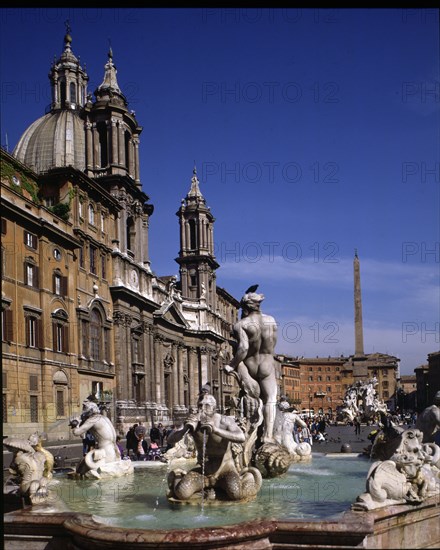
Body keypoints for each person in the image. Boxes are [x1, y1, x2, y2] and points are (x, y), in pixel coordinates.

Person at [167, 393, 262, 501]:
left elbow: (241, 437)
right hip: (203, 472)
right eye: (200, 406)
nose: (202, 409)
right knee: (182, 493)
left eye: (207, 406)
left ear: (214, 408)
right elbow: (170, 439)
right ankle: (178, 477)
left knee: (236, 494)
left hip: (224, 471)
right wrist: (185, 429)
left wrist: (216, 430)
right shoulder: (194, 422)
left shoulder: (224, 421)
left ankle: (246, 477)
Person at [223, 289, 278, 444]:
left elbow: (243, 349)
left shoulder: (241, 324)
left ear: (245, 307)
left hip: (250, 366)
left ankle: (248, 431)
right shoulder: (271, 321)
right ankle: (267, 435)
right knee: (271, 400)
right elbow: (273, 344)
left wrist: (231, 365)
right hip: (267, 364)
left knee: (248, 399)